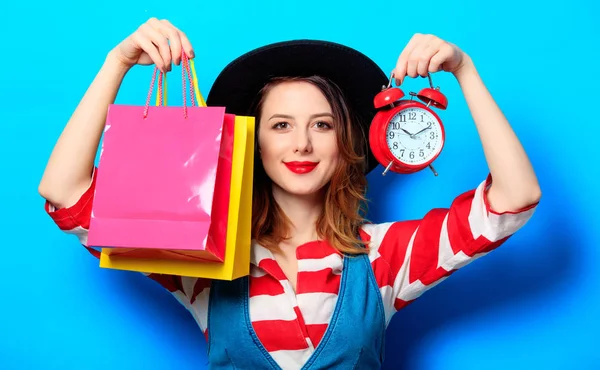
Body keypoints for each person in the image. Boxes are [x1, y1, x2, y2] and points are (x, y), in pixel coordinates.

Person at [39, 18, 541, 369]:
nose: (301, 143)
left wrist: (465, 70)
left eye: (321, 124)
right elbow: (64, 193)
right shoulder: (201, 250)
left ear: (345, 143)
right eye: (281, 125)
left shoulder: (385, 256)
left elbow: (514, 198)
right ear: (253, 143)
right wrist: (117, 62)